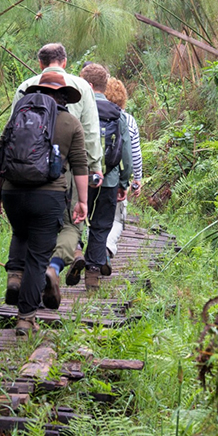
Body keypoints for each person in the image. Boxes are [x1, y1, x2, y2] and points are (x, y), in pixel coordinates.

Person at [4, 43, 102, 307]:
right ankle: (52, 268)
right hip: (61, 176)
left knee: (22, 230)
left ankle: (16, 274)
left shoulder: (24, 88)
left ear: (40, 64)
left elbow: (8, 138)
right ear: (66, 62)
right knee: (70, 224)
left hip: (17, 176)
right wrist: (95, 170)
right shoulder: (81, 90)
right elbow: (90, 136)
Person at [0, 71, 89, 334]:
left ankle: (15, 277)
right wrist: (83, 201)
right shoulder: (70, 123)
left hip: (13, 192)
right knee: (38, 257)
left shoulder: (19, 116)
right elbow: (80, 165)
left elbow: (0, 154)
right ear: (63, 97)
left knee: (20, 233)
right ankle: (26, 318)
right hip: (48, 197)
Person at [78, 64, 132, 290]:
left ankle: (75, 252)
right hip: (109, 179)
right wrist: (124, 182)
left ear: (85, 83)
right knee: (101, 226)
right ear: (104, 84)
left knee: (76, 219)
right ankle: (92, 274)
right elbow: (126, 150)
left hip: (80, 178)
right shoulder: (118, 114)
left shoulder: (77, 109)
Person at [104, 77, 142, 269]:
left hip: (90, 177)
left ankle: (90, 254)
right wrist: (135, 180)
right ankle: (107, 248)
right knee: (117, 219)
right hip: (115, 178)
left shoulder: (92, 114)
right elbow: (133, 153)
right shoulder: (128, 120)